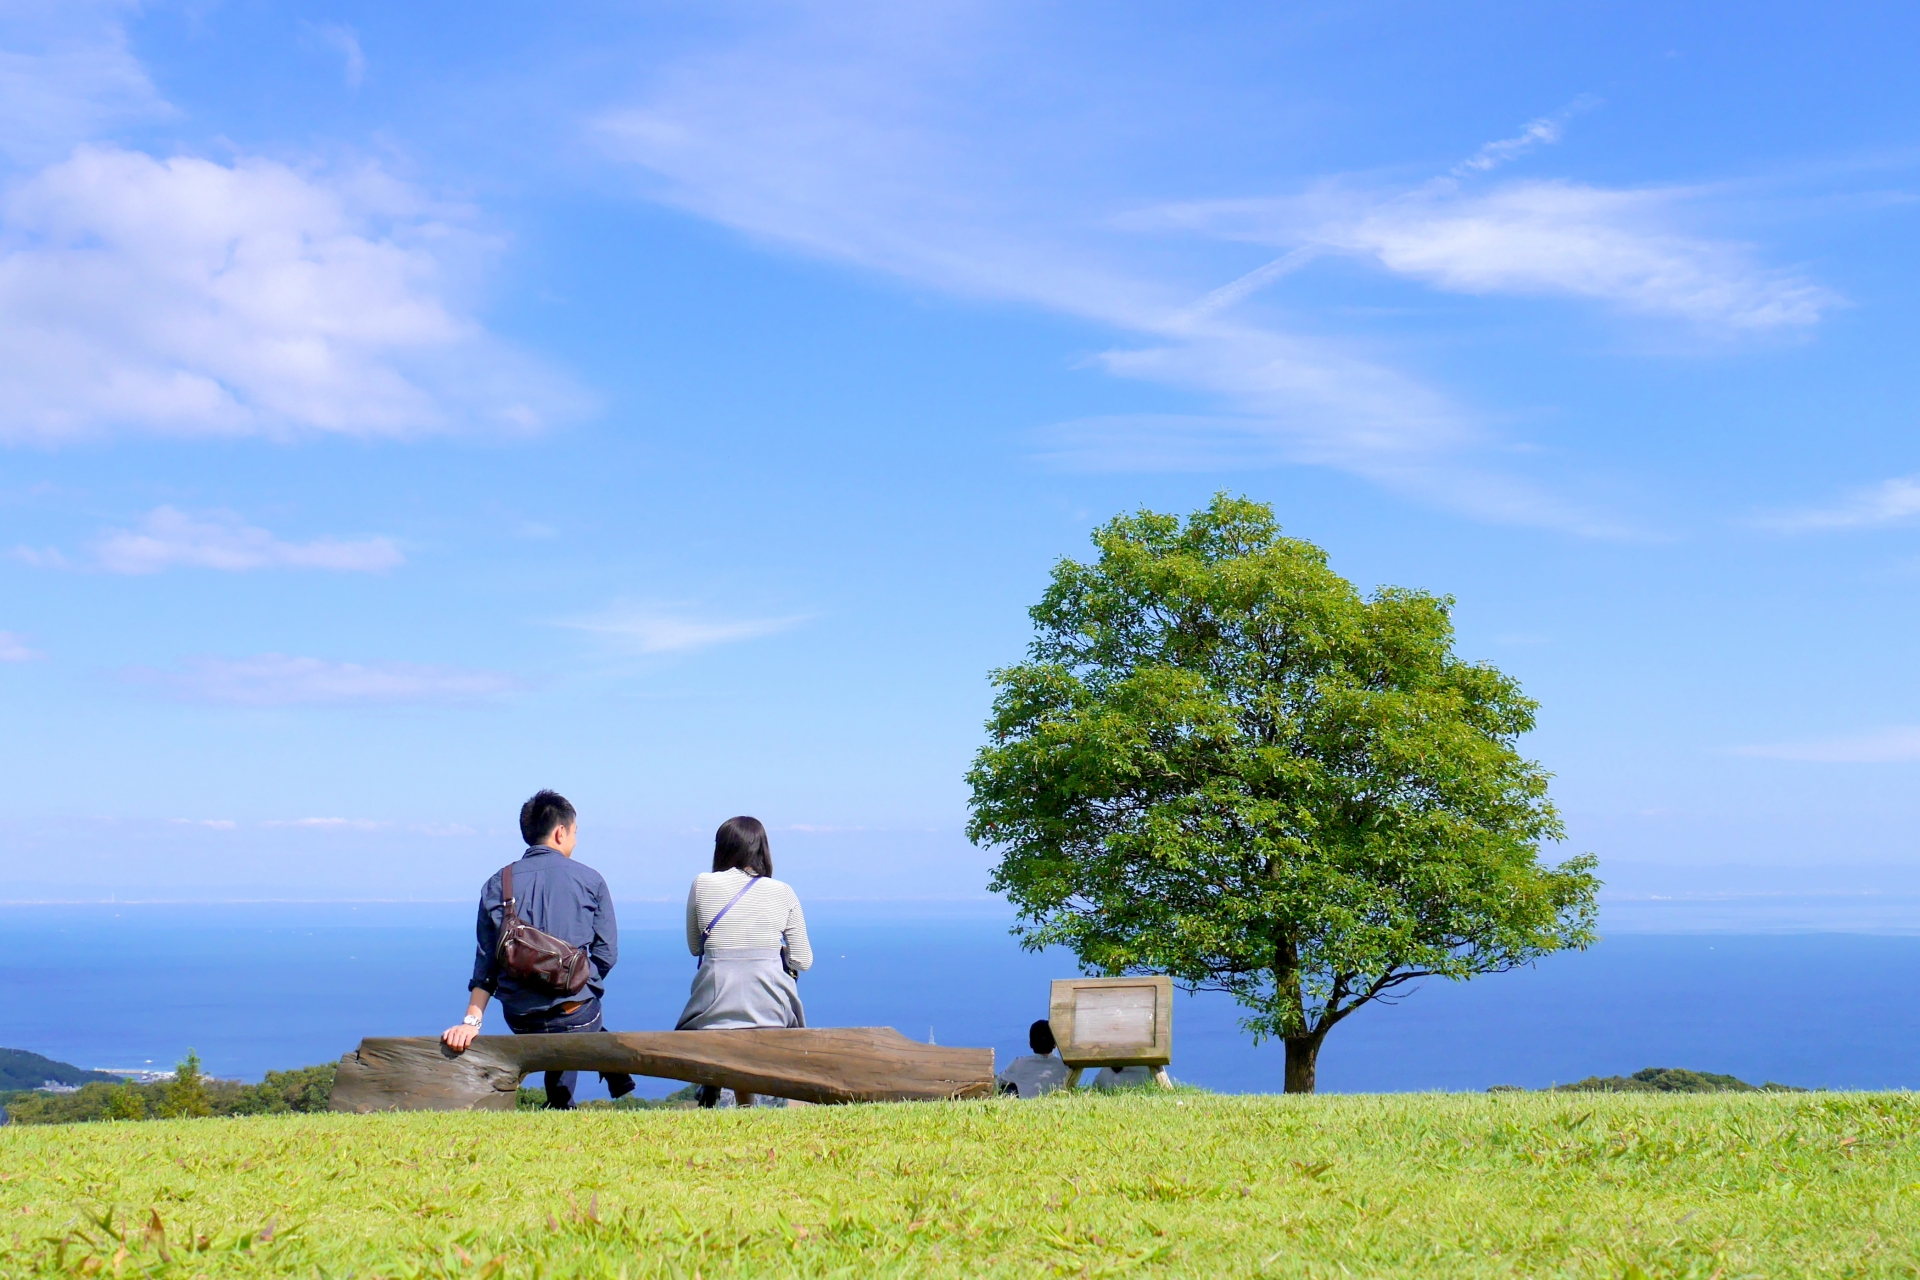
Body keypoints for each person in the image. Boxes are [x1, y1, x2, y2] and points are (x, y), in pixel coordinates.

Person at [441, 790, 636, 1109]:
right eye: (574, 832)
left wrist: (471, 1023)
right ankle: (566, 1100)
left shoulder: (496, 884)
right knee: (578, 1017)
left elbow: (486, 966)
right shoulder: (591, 880)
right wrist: (582, 984)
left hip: (520, 1016)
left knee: (566, 1020)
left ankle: (586, 1088)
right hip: (577, 1013)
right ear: (561, 832)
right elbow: (607, 953)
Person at [677, 816, 812, 1107]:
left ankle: (714, 1095)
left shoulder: (702, 884)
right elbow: (803, 960)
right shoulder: (782, 891)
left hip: (713, 1011)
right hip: (770, 1012)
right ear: (763, 850)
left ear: (721, 849)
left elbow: (693, 947)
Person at [996, 1019, 1069, 1098]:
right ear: (1055, 1044)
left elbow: (998, 1081)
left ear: (1030, 1044)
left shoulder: (1019, 1064)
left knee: (1008, 1087)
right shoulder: (1064, 1066)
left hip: (1025, 1107)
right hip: (1056, 1106)